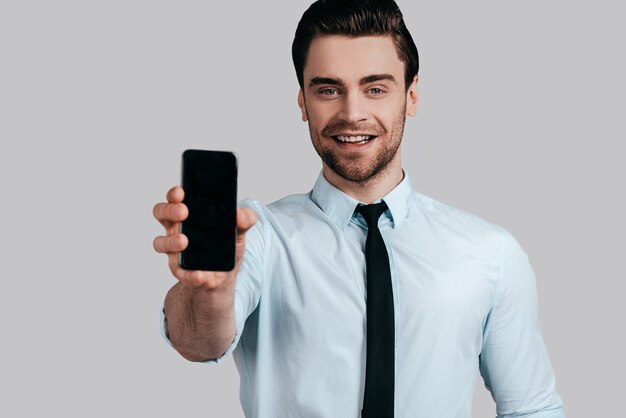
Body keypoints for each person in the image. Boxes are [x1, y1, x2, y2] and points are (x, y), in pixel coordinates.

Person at [153, 0, 566, 417]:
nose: (352, 114)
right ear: (303, 103)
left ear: (412, 95)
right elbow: (200, 343)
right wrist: (210, 292)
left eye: (375, 89)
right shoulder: (256, 235)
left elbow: (531, 408)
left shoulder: (491, 252)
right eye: (328, 90)